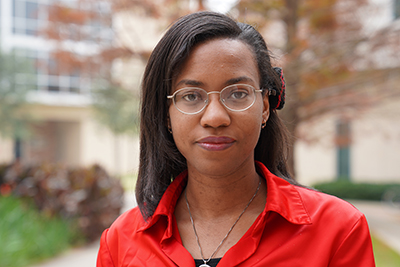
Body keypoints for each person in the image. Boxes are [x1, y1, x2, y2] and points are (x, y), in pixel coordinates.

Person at [97, 11, 375, 267]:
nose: (215, 117)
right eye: (191, 96)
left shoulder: (337, 230)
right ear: (166, 115)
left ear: (265, 106)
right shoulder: (121, 242)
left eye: (238, 93)